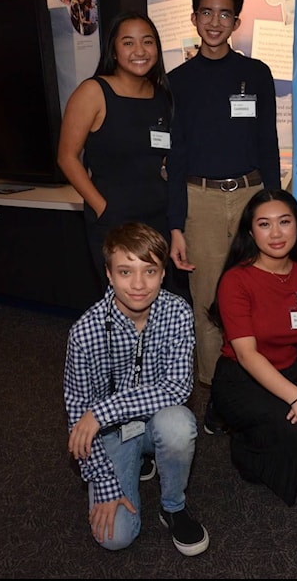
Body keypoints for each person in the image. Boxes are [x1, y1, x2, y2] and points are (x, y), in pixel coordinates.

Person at [166, 0, 281, 434]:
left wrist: (273, 206)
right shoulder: (174, 83)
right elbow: (173, 161)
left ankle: (262, 381)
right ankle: (217, 391)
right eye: (207, 13)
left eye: (225, 14)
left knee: (258, 294)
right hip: (202, 201)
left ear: (237, 20)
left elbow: (268, 144)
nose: (216, 22)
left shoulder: (256, 75)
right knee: (208, 301)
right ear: (194, 17)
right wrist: (177, 225)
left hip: (252, 195)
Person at [63, 222, 209, 554]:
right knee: (115, 539)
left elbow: (176, 388)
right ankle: (136, 460)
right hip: (110, 433)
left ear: (162, 273)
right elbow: (78, 422)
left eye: (150, 271)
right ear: (109, 275)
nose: (139, 285)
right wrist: (103, 483)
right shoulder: (84, 332)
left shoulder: (177, 312)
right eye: (126, 272)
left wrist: (100, 412)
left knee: (178, 424)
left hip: (148, 418)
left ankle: (172, 507)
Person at [208, 189, 297, 505]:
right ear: (251, 232)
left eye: (285, 222)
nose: (276, 234)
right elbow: (246, 354)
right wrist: (296, 399)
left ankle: (270, 436)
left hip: (290, 375)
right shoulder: (236, 281)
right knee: (288, 438)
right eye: (264, 224)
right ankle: (241, 437)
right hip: (242, 379)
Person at [57, 10, 188, 302]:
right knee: (123, 307)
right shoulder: (93, 92)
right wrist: (103, 208)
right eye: (128, 43)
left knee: (159, 305)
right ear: (114, 50)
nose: (139, 51)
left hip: (158, 218)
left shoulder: (162, 96)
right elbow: (67, 157)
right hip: (113, 220)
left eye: (148, 41)